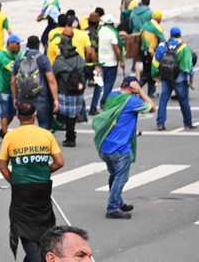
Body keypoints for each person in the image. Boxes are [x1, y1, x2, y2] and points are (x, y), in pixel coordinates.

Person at [0, 102, 64, 262]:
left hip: (21, 189)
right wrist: (42, 172)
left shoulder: (10, 136)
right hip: (42, 188)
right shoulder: (46, 134)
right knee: (43, 227)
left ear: (18, 117)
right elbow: (59, 162)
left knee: (24, 227)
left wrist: (14, 180)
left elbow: (2, 167)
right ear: (34, 116)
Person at [93, 75, 156, 219]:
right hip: (120, 148)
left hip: (105, 145)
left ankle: (118, 201)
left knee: (114, 175)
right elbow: (152, 107)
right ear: (133, 87)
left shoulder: (112, 96)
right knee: (121, 178)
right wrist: (140, 91)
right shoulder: (132, 101)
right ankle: (113, 207)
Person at [152, 27, 195, 131]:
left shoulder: (163, 45)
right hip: (179, 78)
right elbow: (187, 65)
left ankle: (160, 123)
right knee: (183, 101)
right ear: (179, 35)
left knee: (163, 100)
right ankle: (188, 122)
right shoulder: (183, 47)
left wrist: (156, 75)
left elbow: (155, 62)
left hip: (166, 77)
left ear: (170, 35)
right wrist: (190, 77)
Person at [12, 36, 58, 130]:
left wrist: (15, 98)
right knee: (44, 123)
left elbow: (13, 81)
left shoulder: (19, 59)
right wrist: (55, 99)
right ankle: (42, 143)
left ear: (28, 45)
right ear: (38, 45)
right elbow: (51, 79)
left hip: (23, 95)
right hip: (40, 94)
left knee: (25, 122)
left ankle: (26, 143)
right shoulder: (43, 58)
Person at [53, 35, 86, 148]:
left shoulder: (60, 61)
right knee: (73, 115)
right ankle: (71, 134)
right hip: (78, 90)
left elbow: (53, 75)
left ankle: (70, 136)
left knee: (66, 115)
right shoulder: (79, 58)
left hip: (64, 91)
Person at [0, 34, 22, 138]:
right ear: (10, 43)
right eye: (17, 43)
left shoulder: (19, 55)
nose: (18, 46)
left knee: (12, 112)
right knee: (3, 112)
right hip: (2, 88)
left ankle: (3, 129)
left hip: (14, 89)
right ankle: (5, 133)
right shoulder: (0, 55)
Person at [91, 14, 124, 114]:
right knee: (109, 84)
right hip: (111, 62)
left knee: (99, 85)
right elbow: (116, 49)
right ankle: (104, 100)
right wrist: (121, 60)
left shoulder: (99, 31)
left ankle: (93, 106)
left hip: (100, 61)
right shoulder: (113, 33)